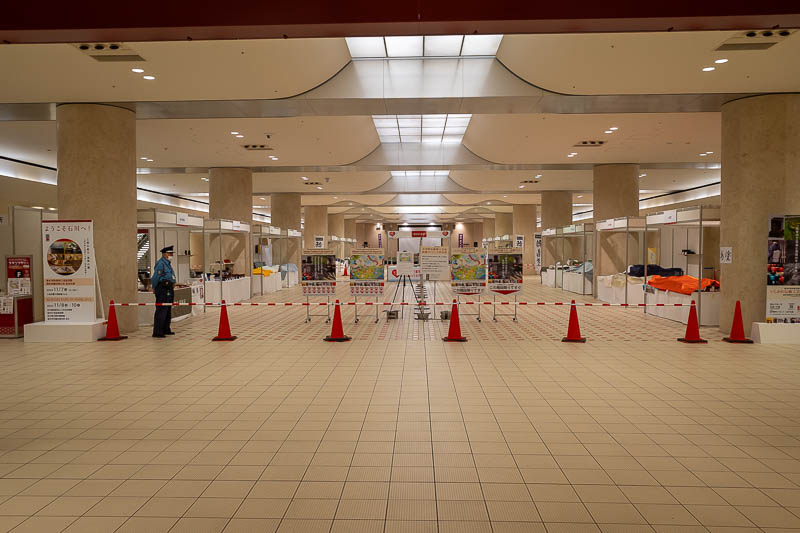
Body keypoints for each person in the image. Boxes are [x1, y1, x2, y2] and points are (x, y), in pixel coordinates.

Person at [151, 245, 176, 338]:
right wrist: (154, 287)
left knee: (168, 309)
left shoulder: (168, 264)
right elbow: (155, 278)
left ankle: (166, 329)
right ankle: (158, 332)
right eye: (170, 253)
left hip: (169, 288)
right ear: (165, 254)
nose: (171, 255)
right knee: (161, 310)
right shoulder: (160, 264)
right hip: (162, 288)